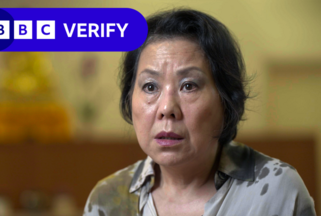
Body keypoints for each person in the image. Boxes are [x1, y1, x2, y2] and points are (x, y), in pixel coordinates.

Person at [83, 8, 316, 216]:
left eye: (188, 86)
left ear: (226, 100)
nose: (166, 109)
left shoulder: (276, 191)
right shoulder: (107, 199)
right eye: (150, 87)